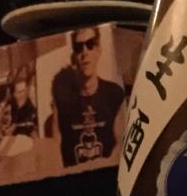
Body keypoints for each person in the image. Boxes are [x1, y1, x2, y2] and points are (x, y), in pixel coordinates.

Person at [51, 27, 124, 167]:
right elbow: (54, 152)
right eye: (79, 47)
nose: (84, 52)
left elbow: (121, 144)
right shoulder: (61, 100)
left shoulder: (114, 94)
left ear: (98, 51)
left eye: (90, 45)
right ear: (74, 56)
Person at [9, 71, 38, 138]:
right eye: (20, 92)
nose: (23, 94)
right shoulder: (13, 107)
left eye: (24, 91)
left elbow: (32, 128)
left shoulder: (31, 106)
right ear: (14, 94)